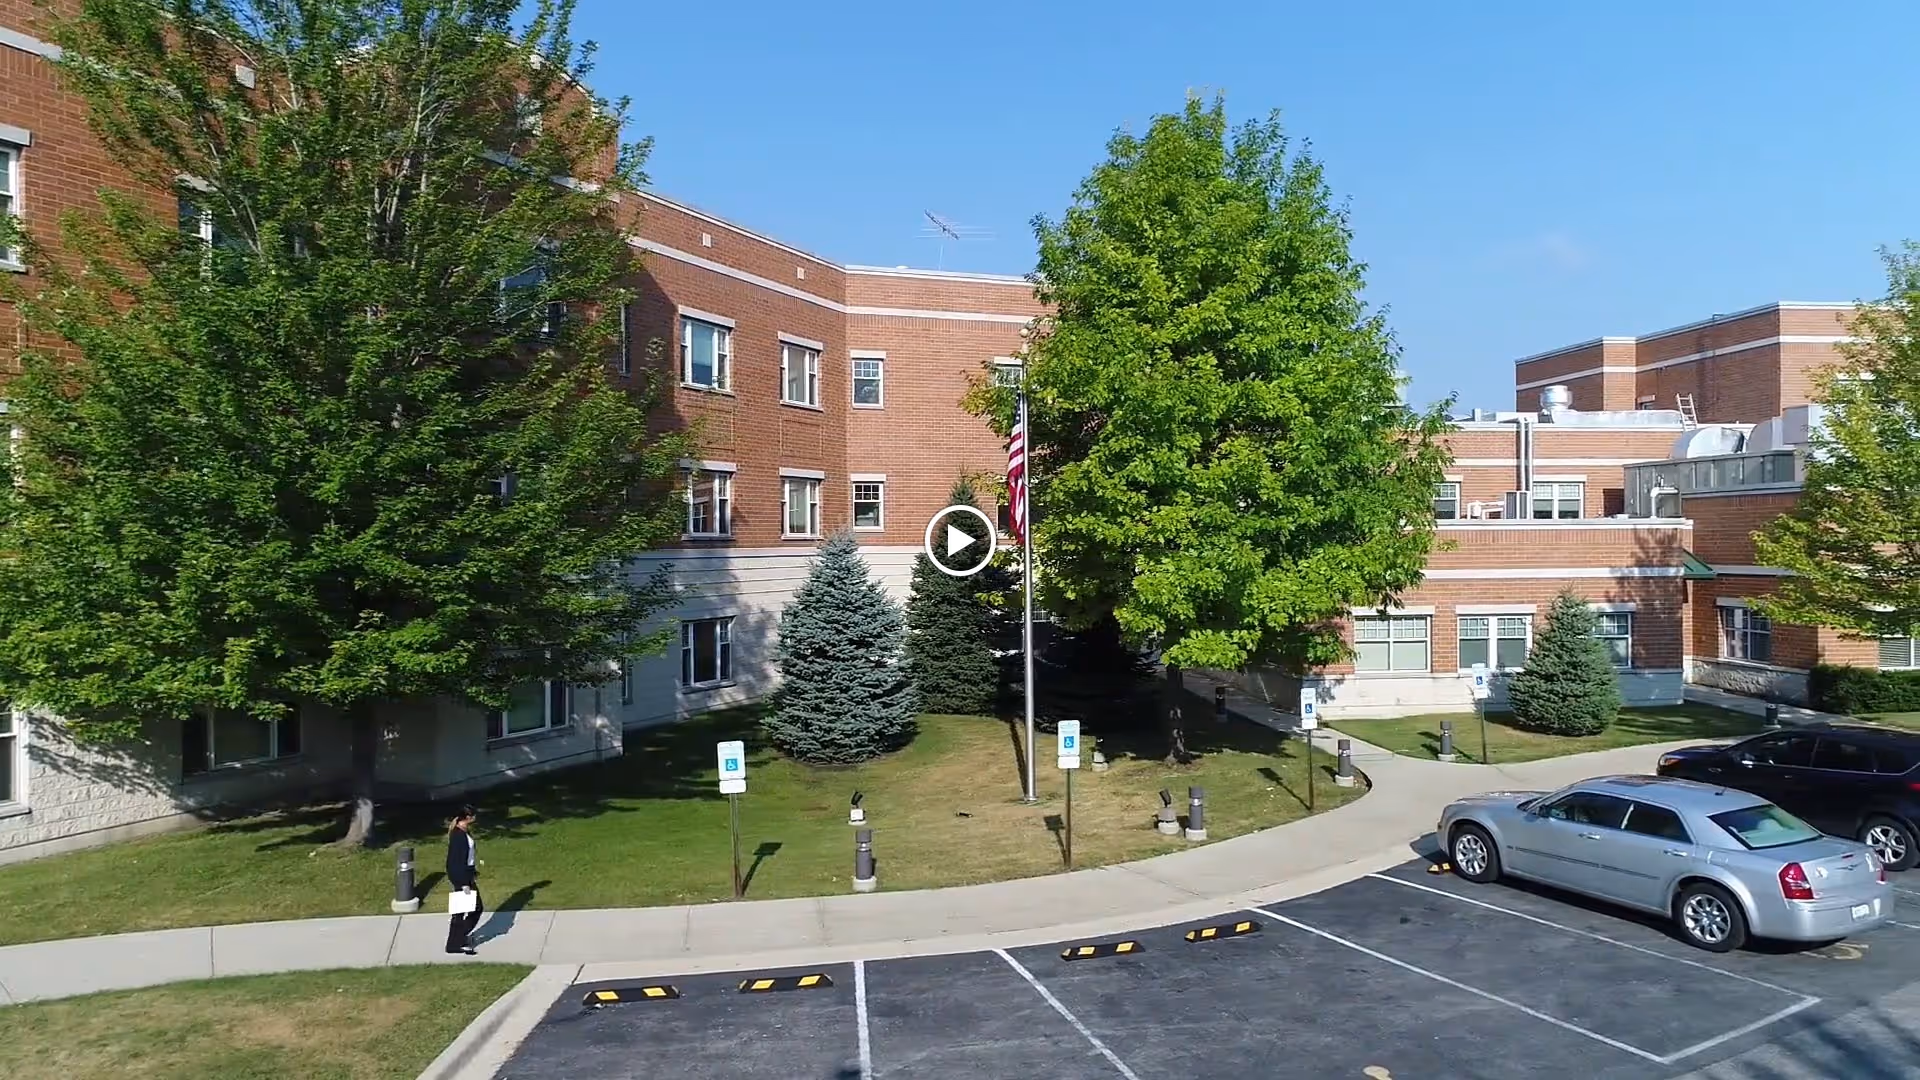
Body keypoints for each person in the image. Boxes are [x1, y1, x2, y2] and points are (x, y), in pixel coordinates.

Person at [445, 804, 483, 955]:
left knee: (463, 911)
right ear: (468, 817)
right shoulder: (458, 836)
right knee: (471, 909)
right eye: (474, 816)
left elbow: (467, 858)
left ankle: (457, 940)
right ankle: (456, 942)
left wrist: (472, 871)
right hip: (462, 879)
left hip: (466, 876)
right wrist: (463, 883)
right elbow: (455, 862)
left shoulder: (463, 832)